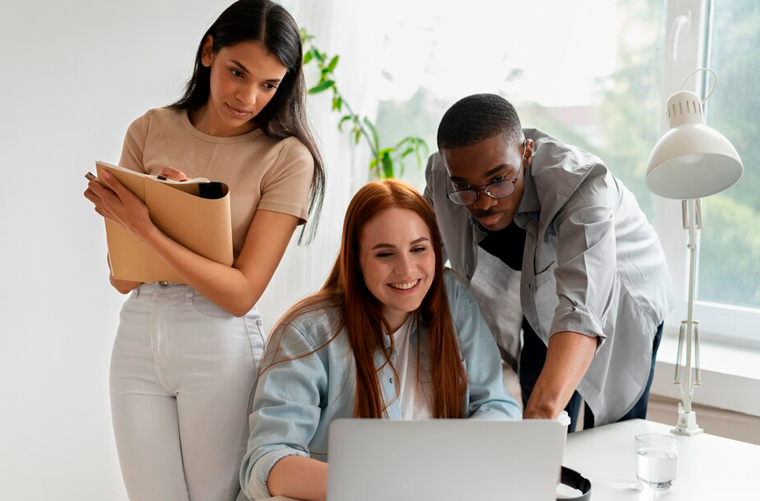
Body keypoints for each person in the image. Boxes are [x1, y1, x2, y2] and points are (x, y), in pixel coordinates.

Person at [82, 1, 325, 500]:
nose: (248, 96)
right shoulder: (149, 129)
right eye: (238, 72)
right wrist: (160, 210)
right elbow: (123, 278)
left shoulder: (286, 158)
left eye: (269, 84)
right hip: (138, 335)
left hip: (219, 342)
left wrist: (155, 223)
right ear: (209, 51)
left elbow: (240, 294)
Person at [238, 180, 520, 501]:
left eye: (418, 249)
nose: (407, 269)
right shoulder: (307, 332)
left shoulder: (452, 299)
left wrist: (449, 470)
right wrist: (383, 486)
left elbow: (497, 405)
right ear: (356, 260)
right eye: (385, 254)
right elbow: (267, 463)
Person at [424, 93, 674, 431]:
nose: (483, 203)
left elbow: (581, 312)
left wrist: (539, 418)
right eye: (466, 188)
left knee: (613, 431)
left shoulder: (582, 186)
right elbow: (420, 257)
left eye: (499, 180)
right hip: (542, 294)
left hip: (624, 292)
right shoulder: (443, 174)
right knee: (542, 403)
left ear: (526, 153)